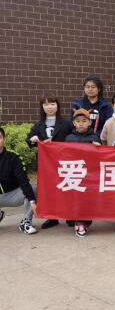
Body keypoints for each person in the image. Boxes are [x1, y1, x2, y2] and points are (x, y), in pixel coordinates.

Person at [26, 95, 73, 229]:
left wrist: (57, 143)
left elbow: (73, 138)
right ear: (42, 107)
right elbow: (29, 141)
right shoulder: (38, 125)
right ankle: (53, 217)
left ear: (57, 106)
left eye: (52, 104)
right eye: (46, 104)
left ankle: (70, 216)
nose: (49, 107)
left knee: (67, 187)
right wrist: (33, 140)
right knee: (50, 190)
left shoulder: (66, 123)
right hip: (46, 164)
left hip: (64, 162)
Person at [65, 109, 101, 237]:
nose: (81, 123)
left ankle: (83, 222)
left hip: (89, 174)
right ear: (74, 123)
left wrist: (98, 146)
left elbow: (101, 155)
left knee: (86, 199)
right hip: (73, 173)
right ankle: (75, 219)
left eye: (84, 121)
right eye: (78, 121)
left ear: (90, 122)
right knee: (74, 198)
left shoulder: (94, 137)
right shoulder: (68, 138)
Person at [0, 127, 38, 234]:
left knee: (33, 188)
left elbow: (23, 181)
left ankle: (26, 221)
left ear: (4, 139)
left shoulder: (13, 157)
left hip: (12, 195)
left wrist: (32, 201)